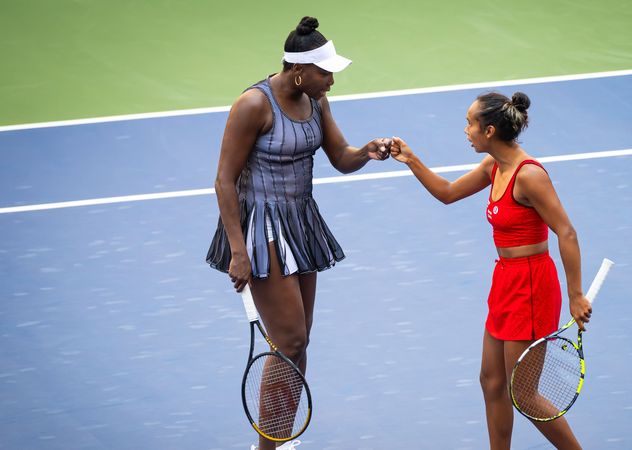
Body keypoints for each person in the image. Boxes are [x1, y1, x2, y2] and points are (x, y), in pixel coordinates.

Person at [205, 16, 390, 450]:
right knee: (289, 338)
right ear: (298, 71)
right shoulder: (253, 105)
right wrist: (237, 251)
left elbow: (341, 157)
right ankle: (267, 446)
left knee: (299, 341)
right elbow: (223, 181)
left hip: (301, 223)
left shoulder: (317, 102)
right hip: (260, 228)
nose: (331, 82)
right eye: (326, 74)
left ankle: (279, 436)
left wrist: (366, 152)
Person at [389, 91, 593, 450]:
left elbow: (567, 231)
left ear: (490, 131)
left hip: (531, 285)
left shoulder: (529, 175)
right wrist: (411, 159)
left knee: (524, 394)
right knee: (491, 381)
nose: (466, 130)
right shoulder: (493, 167)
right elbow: (448, 193)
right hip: (506, 280)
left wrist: (576, 295)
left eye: (470, 123)